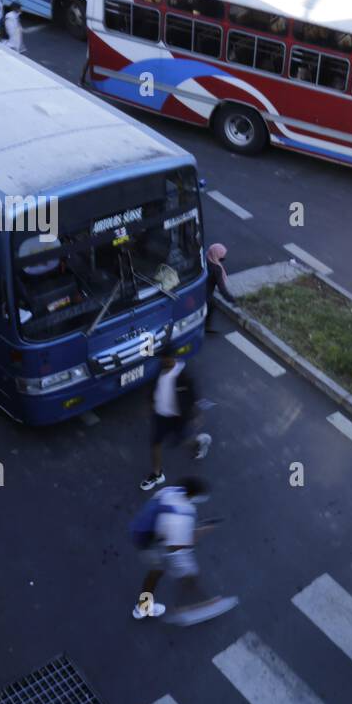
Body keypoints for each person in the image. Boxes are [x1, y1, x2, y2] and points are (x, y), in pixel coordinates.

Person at [132, 477, 236, 625]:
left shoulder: (169, 492)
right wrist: (203, 530)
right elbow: (179, 544)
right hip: (160, 545)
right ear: (194, 495)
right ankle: (184, 607)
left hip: (144, 537)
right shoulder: (184, 514)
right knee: (189, 574)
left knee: (154, 574)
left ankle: (143, 606)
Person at [141, 355, 211, 491]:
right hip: (160, 415)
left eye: (166, 359)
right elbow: (154, 387)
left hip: (177, 418)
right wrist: (150, 403)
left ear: (173, 359)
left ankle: (199, 442)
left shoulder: (184, 377)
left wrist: (196, 415)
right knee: (155, 443)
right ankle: (157, 474)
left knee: (182, 441)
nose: (164, 361)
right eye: (162, 359)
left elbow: (193, 397)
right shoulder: (161, 369)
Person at [205, 242, 235, 334]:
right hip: (205, 294)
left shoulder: (205, 258)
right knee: (212, 305)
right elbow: (221, 288)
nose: (223, 258)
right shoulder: (216, 269)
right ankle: (207, 325)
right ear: (216, 255)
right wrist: (231, 299)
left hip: (196, 290)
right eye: (221, 256)